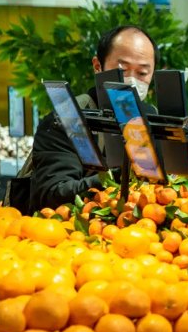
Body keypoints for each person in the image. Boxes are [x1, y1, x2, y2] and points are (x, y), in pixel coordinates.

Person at [29, 26, 159, 210]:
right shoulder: (67, 120)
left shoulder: (151, 117)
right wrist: (118, 177)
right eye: (122, 70)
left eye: (142, 73)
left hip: (139, 232)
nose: (132, 80)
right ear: (98, 66)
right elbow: (52, 194)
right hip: (70, 233)